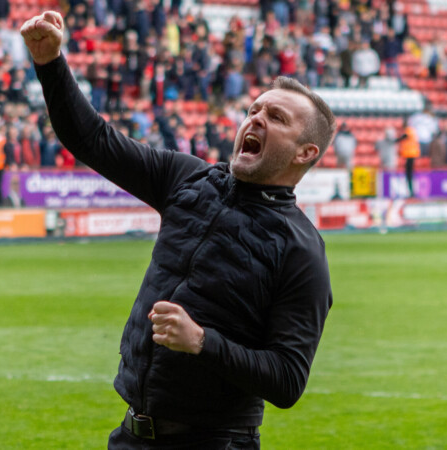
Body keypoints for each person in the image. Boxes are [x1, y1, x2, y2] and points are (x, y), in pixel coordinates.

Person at [21, 12, 335, 449]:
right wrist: (50, 62)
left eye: (276, 117)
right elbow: (94, 140)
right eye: (253, 110)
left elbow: (287, 380)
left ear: (306, 152)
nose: (255, 119)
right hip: (132, 435)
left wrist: (203, 342)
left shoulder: (301, 251)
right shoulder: (188, 178)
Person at [397, 119, 420, 197]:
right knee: (409, 173)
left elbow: (404, 137)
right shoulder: (412, 131)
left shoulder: (409, 131)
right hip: (411, 154)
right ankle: (410, 191)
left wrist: (396, 140)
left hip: (410, 155)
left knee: (409, 174)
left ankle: (411, 191)